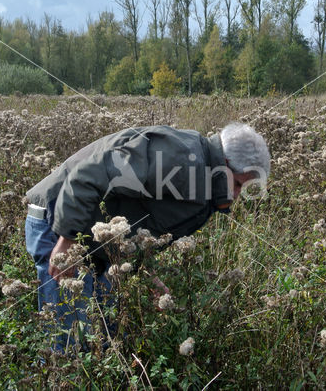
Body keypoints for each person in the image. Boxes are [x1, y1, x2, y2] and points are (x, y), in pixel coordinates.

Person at [24, 122, 270, 351]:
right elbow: (88, 175)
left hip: (94, 242)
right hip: (58, 221)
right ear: (224, 163)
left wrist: (149, 274)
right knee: (69, 347)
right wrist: (67, 239)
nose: (236, 195)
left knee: (105, 341)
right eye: (237, 184)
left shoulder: (203, 178)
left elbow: (142, 223)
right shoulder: (181, 157)